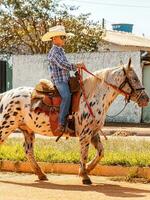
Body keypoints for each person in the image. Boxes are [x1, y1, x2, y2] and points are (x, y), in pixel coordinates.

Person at [42, 25, 85, 132]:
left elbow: (65, 65)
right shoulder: (54, 52)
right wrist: (76, 65)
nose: (64, 39)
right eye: (62, 37)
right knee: (66, 96)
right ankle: (61, 124)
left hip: (65, 79)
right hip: (59, 81)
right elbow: (63, 64)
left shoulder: (60, 50)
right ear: (55, 38)